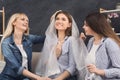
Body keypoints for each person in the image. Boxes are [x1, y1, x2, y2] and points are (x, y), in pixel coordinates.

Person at [35, 10, 88, 80]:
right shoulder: (49, 41)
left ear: (69, 24)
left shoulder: (71, 40)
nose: (59, 21)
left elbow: (72, 67)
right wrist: (55, 55)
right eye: (57, 19)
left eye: (63, 19)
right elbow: (44, 65)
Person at [0, 13, 51, 80]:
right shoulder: (6, 43)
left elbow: (46, 38)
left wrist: (52, 22)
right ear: (14, 22)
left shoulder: (29, 39)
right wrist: (38, 78)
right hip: (8, 77)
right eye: (22, 19)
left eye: (27, 21)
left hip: (25, 78)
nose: (26, 22)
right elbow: (16, 67)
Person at [83, 12, 120, 80]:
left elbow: (118, 70)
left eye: (86, 25)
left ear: (94, 25)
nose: (83, 27)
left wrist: (99, 71)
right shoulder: (91, 41)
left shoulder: (109, 43)